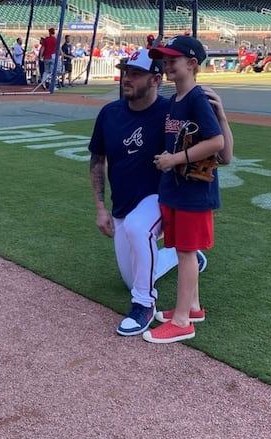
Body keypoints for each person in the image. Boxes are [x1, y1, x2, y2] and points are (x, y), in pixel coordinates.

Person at [89, 48, 233, 337]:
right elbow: (97, 160)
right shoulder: (109, 113)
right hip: (122, 206)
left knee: (138, 228)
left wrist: (221, 116)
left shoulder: (173, 111)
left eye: (135, 74)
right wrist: (101, 208)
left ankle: (143, 305)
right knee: (134, 276)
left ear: (156, 80)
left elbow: (219, 152)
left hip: (161, 197)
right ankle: (185, 260)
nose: (126, 78)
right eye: (125, 72)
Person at [144, 35, 232, 343]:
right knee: (184, 250)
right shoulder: (176, 100)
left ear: (192, 63)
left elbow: (219, 144)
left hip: (194, 191)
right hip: (179, 188)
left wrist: (174, 159)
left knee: (185, 253)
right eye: (164, 60)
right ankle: (191, 307)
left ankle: (182, 321)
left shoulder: (195, 97)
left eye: (173, 60)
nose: (167, 65)